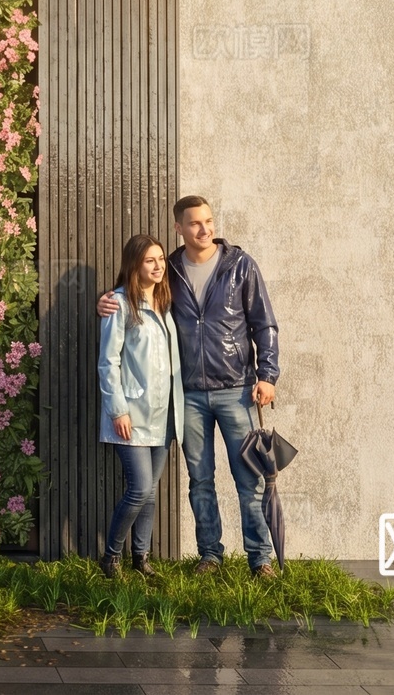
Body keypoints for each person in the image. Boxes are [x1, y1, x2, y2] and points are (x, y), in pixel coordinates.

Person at [98, 195, 280, 576]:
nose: (205, 229)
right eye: (195, 223)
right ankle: (210, 555)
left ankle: (260, 559)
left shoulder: (239, 266)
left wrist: (267, 374)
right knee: (200, 481)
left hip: (236, 388)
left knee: (249, 480)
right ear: (178, 227)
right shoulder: (171, 271)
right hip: (189, 396)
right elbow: (137, 294)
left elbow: (264, 323)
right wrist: (108, 301)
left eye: (209, 221)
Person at [97, 234, 185, 578]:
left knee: (149, 494)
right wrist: (118, 410)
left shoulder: (164, 304)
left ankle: (141, 559)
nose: (158, 266)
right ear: (135, 264)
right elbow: (108, 362)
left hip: (162, 415)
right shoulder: (119, 304)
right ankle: (111, 558)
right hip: (131, 414)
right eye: (150, 260)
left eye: (161, 259)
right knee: (139, 489)